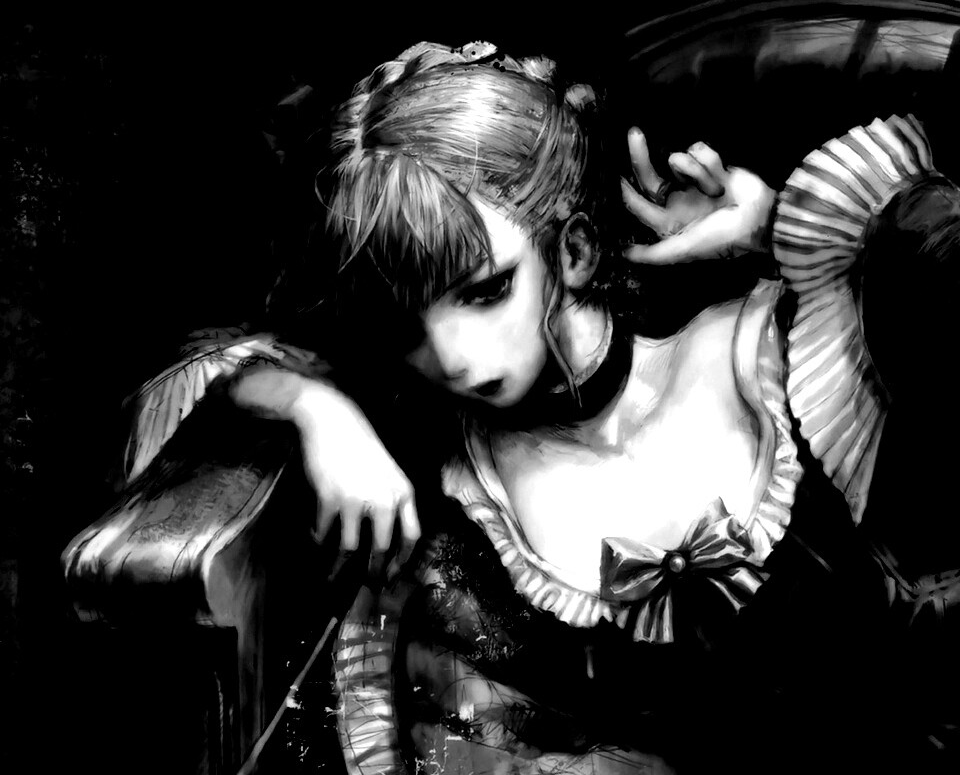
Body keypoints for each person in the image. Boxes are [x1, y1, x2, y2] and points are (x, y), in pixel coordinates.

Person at [119, 41, 959, 773]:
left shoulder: (765, 346)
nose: (452, 356)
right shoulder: (457, 490)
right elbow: (212, 367)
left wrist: (776, 231)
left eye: (486, 291)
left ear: (575, 250)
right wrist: (316, 409)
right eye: (409, 323)